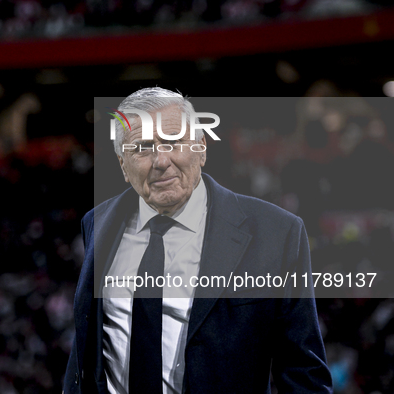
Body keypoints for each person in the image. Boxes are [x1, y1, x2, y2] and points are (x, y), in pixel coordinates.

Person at [64, 88, 333, 394]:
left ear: (201, 146)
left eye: (173, 141)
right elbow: (87, 347)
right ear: (124, 166)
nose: (161, 161)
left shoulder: (276, 232)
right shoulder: (98, 223)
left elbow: (303, 372)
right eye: (142, 148)